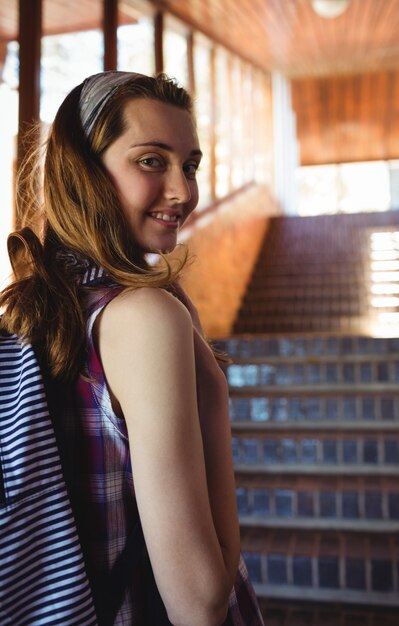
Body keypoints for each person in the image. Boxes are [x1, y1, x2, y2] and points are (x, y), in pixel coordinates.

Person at [0, 71, 264, 625]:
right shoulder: (143, 316)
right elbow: (201, 600)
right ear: (84, 173)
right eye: (151, 160)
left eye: (189, 164)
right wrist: (213, 391)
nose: (183, 191)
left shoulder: (46, 309)